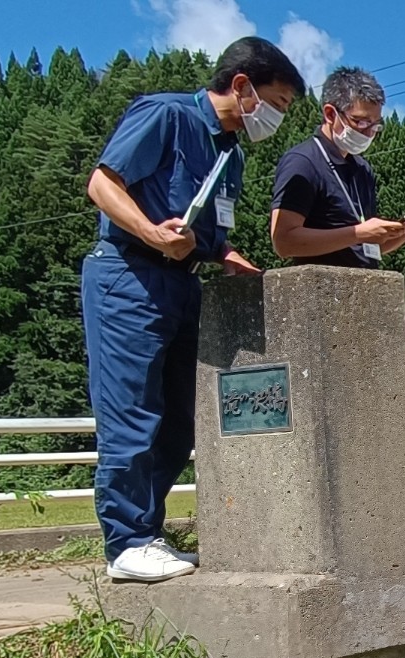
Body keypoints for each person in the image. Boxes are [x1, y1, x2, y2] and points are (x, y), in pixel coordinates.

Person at [81, 37, 306, 582]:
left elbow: (206, 228)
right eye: (276, 102)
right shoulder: (167, 115)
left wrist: (226, 254)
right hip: (129, 276)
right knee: (132, 411)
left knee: (181, 419)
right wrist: (152, 233)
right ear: (241, 85)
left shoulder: (230, 152)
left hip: (185, 284)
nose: (276, 116)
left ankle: (149, 533)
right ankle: (127, 541)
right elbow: (102, 184)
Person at [269, 67, 405, 267]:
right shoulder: (303, 161)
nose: (369, 133)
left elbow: (368, 250)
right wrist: (359, 233)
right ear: (330, 114)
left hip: (363, 287)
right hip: (318, 288)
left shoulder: (362, 168)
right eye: (361, 122)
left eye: (376, 125)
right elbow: (283, 242)